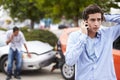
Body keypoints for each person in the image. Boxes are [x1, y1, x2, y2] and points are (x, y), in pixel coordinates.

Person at [65, 4, 120, 80]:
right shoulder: (75, 37)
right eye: (92, 20)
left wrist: (105, 17)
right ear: (85, 21)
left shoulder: (108, 34)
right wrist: (83, 37)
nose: (96, 24)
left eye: (99, 19)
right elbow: (69, 61)